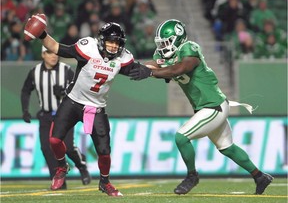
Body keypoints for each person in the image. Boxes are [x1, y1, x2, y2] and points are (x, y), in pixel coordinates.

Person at [129, 19, 274, 195]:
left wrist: (150, 72)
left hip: (213, 106)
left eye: (166, 42)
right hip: (209, 106)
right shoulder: (167, 54)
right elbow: (154, 65)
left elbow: (179, 69)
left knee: (181, 137)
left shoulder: (189, 48)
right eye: (161, 43)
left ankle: (192, 176)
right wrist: (131, 66)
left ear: (178, 38)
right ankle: (260, 176)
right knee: (227, 147)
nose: (163, 47)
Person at [24, 16, 148, 197]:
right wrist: (42, 34)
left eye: (117, 43)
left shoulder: (123, 58)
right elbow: (57, 48)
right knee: (54, 140)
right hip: (73, 101)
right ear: (102, 41)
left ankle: (105, 182)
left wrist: (154, 71)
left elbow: (139, 69)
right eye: (110, 42)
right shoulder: (87, 48)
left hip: (96, 107)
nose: (114, 46)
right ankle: (61, 166)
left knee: (104, 151)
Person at [21, 46, 91, 189]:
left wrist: (65, 92)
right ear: (43, 55)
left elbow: (79, 88)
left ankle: (81, 167)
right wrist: (25, 110)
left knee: (69, 148)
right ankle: (59, 181)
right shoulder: (35, 72)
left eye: (55, 53)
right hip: (46, 115)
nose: (53, 56)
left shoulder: (66, 70)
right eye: (49, 53)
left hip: (65, 115)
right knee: (46, 148)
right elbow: (25, 90)